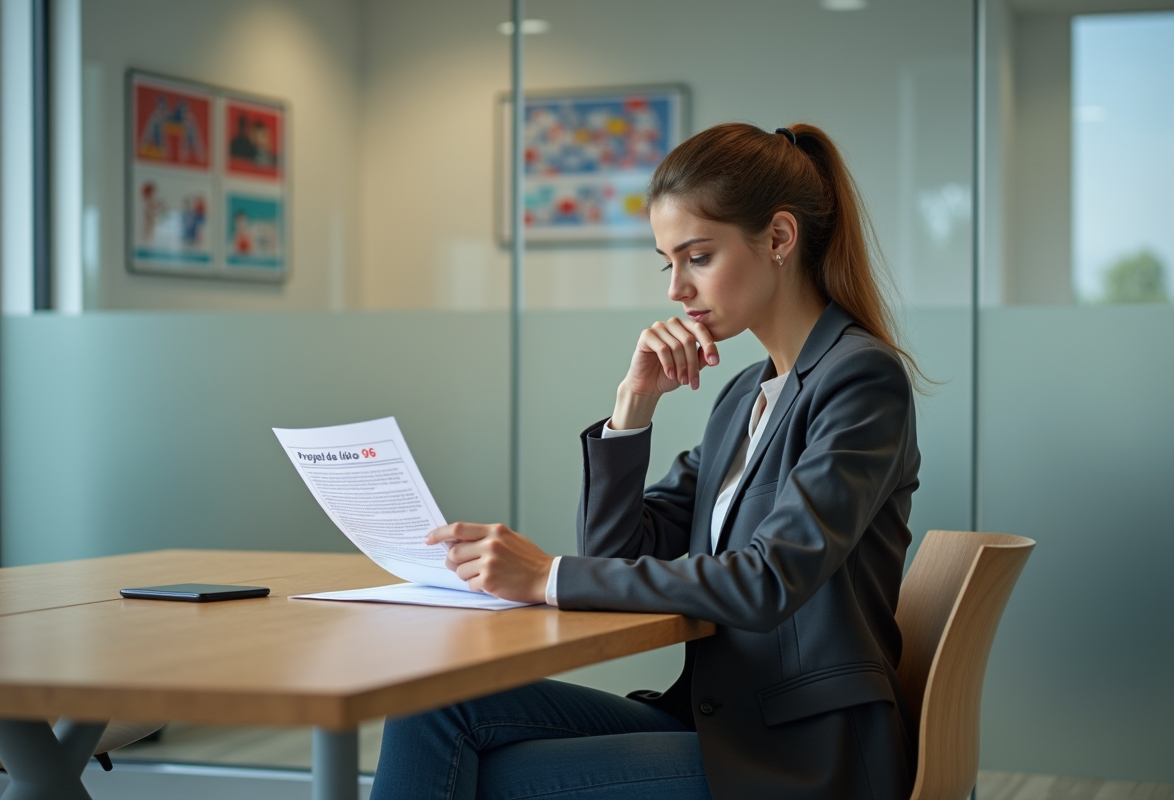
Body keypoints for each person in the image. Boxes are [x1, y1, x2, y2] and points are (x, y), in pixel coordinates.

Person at [371, 122, 922, 800]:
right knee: (430, 704)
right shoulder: (744, 396)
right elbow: (614, 552)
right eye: (669, 263)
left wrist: (546, 576)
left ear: (780, 238)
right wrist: (633, 406)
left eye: (698, 257)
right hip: (716, 722)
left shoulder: (860, 379)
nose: (676, 290)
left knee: (489, 778)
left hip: (803, 752)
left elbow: (768, 579)